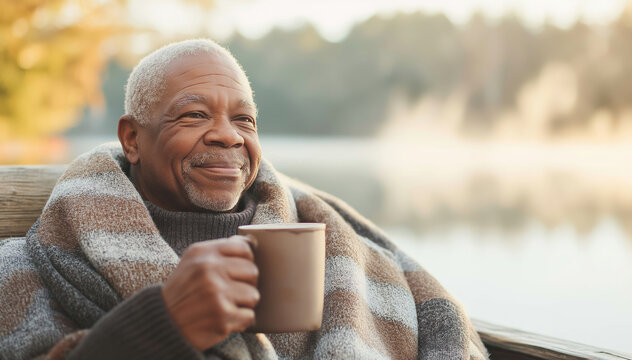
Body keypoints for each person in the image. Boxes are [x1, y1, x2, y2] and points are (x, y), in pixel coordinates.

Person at [0, 39, 488, 360]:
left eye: (245, 120)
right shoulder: (26, 266)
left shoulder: (331, 241)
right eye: (193, 115)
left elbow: (443, 326)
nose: (227, 137)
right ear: (132, 139)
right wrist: (163, 323)